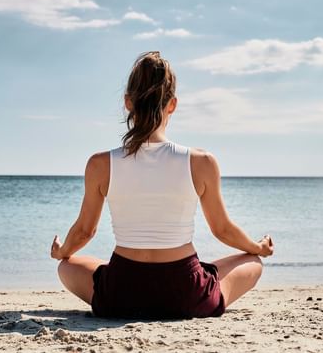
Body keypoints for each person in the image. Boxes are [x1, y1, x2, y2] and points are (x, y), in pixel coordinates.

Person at [51, 51, 274, 319]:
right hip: (185, 292)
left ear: (128, 103)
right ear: (172, 105)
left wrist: (62, 251)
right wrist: (257, 247)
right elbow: (222, 230)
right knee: (253, 262)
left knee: (66, 266)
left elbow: (85, 231)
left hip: (122, 293)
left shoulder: (100, 164)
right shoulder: (201, 162)